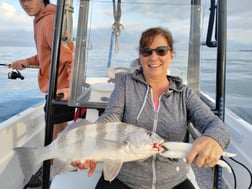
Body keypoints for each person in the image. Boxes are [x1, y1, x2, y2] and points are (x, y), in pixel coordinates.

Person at [72, 27, 230, 189]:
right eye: (147, 51)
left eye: (161, 51)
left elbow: (216, 125)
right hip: (125, 178)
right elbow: (111, 116)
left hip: (173, 180)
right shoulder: (126, 84)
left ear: (171, 55)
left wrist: (214, 139)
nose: (153, 56)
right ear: (141, 57)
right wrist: (92, 142)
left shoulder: (184, 94)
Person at [10, 0, 76, 140]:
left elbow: (71, 57)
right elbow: (46, 55)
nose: (26, 4)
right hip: (55, 88)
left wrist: (71, 88)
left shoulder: (50, 21)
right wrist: (26, 61)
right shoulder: (40, 20)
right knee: (57, 130)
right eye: (22, 0)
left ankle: (50, 162)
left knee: (52, 135)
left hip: (61, 90)